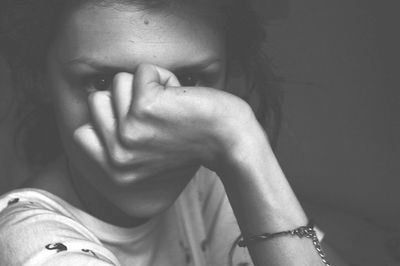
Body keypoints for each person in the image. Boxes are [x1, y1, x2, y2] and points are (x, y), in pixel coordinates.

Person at [0, 0, 346, 265]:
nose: (147, 122)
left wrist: (241, 137)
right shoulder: (26, 244)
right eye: (103, 82)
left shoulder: (210, 182)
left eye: (191, 81)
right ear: (39, 79)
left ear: (230, 79)